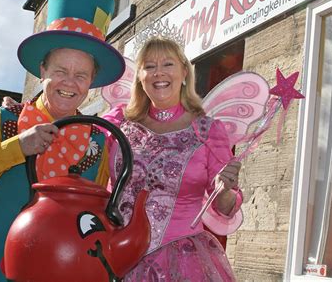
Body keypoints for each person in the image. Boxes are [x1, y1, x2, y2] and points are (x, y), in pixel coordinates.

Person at [0, 0, 125, 282]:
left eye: (81, 75)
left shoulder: (98, 140)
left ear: (92, 81)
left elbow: (96, 216)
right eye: (60, 71)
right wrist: (16, 147)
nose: (70, 83)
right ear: (42, 71)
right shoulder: (4, 119)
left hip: (54, 271)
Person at [103, 36, 243, 281]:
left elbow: (224, 206)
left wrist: (225, 190)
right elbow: (83, 152)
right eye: (149, 66)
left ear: (184, 72)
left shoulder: (208, 131)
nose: (159, 73)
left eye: (167, 64)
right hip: (113, 252)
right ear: (140, 76)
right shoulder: (119, 122)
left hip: (181, 261)